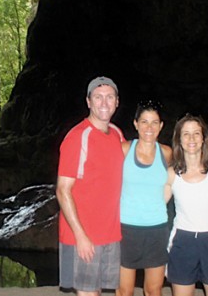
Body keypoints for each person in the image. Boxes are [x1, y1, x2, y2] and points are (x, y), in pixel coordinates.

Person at [57, 76, 125, 296]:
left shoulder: (116, 133)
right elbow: (62, 190)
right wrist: (80, 236)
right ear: (88, 102)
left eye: (109, 97)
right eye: (98, 97)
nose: (104, 103)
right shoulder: (77, 137)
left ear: (117, 101)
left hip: (110, 233)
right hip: (84, 235)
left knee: (101, 291)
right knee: (88, 293)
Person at [164, 114, 208, 296]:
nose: (192, 139)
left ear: (204, 138)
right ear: (179, 139)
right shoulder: (171, 174)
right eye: (186, 134)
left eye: (196, 133)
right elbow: (155, 207)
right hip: (182, 241)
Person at [117, 100, 173, 296]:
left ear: (161, 126)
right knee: (124, 291)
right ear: (135, 124)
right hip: (126, 229)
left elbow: (186, 170)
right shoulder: (123, 150)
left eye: (154, 122)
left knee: (153, 290)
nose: (149, 128)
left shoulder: (166, 153)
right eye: (144, 122)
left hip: (157, 229)